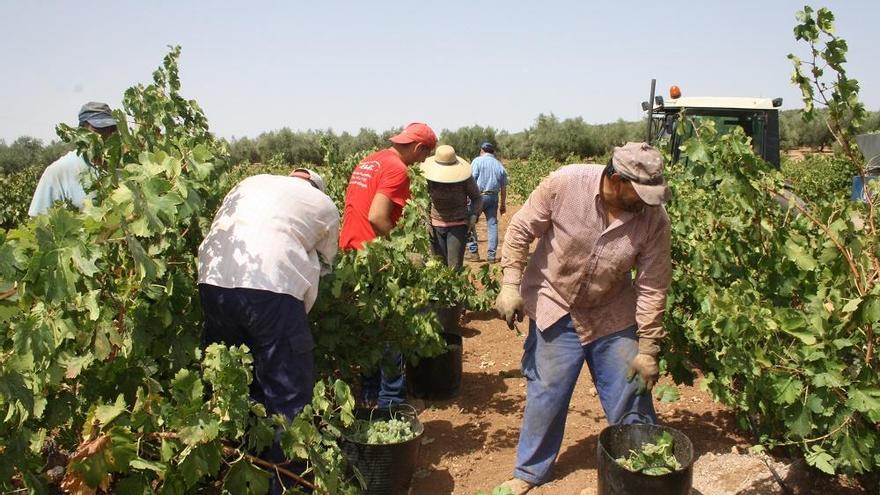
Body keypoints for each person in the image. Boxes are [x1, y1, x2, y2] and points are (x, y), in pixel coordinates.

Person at [494, 142, 672, 494]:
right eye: (639, 193)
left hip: (611, 312)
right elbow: (519, 231)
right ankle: (529, 472)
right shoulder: (565, 184)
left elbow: (653, 285)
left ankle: (643, 467)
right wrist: (510, 285)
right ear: (616, 179)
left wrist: (649, 348)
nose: (645, 202)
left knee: (630, 391)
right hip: (554, 303)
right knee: (547, 393)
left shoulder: (653, 219)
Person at [197, 168, 339, 494]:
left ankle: (246, 474)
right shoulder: (324, 205)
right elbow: (327, 261)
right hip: (270, 289)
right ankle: (289, 485)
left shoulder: (249, 183)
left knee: (237, 385)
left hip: (212, 282)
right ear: (317, 188)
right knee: (287, 397)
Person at [338, 122, 437, 407]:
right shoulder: (396, 168)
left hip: (353, 253)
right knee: (392, 328)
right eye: (424, 156)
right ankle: (391, 402)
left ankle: (369, 395)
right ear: (419, 148)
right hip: (376, 257)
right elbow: (377, 217)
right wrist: (401, 251)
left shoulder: (370, 161)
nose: (422, 162)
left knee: (369, 326)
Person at [28, 102, 118, 216]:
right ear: (81, 131)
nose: (106, 136)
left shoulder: (122, 169)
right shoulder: (58, 172)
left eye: (111, 129)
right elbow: (38, 223)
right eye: (98, 130)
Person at [420, 144, 483, 269]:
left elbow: (477, 197)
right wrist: (425, 220)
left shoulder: (464, 177)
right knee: (438, 268)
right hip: (435, 227)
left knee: (454, 269)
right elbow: (422, 200)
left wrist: (473, 215)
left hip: (457, 226)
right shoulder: (429, 178)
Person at [466, 141, 508, 263]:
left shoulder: (477, 161)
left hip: (478, 197)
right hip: (493, 198)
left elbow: (471, 180)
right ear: (492, 152)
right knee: (492, 225)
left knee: (471, 222)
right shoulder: (499, 165)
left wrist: (468, 198)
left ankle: (473, 252)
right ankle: (491, 256)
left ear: (482, 150)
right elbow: (504, 187)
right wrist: (503, 204)